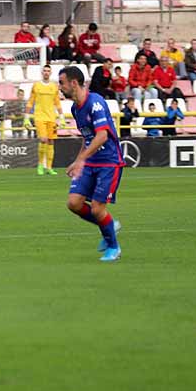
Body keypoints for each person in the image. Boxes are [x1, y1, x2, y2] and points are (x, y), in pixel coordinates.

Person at [58, 66, 122, 262]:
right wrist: (78, 160)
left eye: (62, 83)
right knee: (74, 203)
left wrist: (81, 160)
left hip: (108, 162)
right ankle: (110, 225)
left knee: (96, 208)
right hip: (90, 162)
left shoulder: (95, 103)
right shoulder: (75, 108)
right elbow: (88, 137)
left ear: (74, 83)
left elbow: (102, 136)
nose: (59, 87)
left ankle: (114, 247)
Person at [27, 64, 61, 175]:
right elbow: (31, 101)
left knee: (51, 141)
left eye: (48, 71)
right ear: (42, 72)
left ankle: (49, 167)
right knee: (43, 139)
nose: (46, 72)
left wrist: (61, 117)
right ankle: (40, 165)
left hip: (51, 117)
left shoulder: (54, 86)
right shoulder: (36, 85)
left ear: (50, 73)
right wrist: (26, 117)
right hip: (40, 116)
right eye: (45, 71)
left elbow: (57, 102)